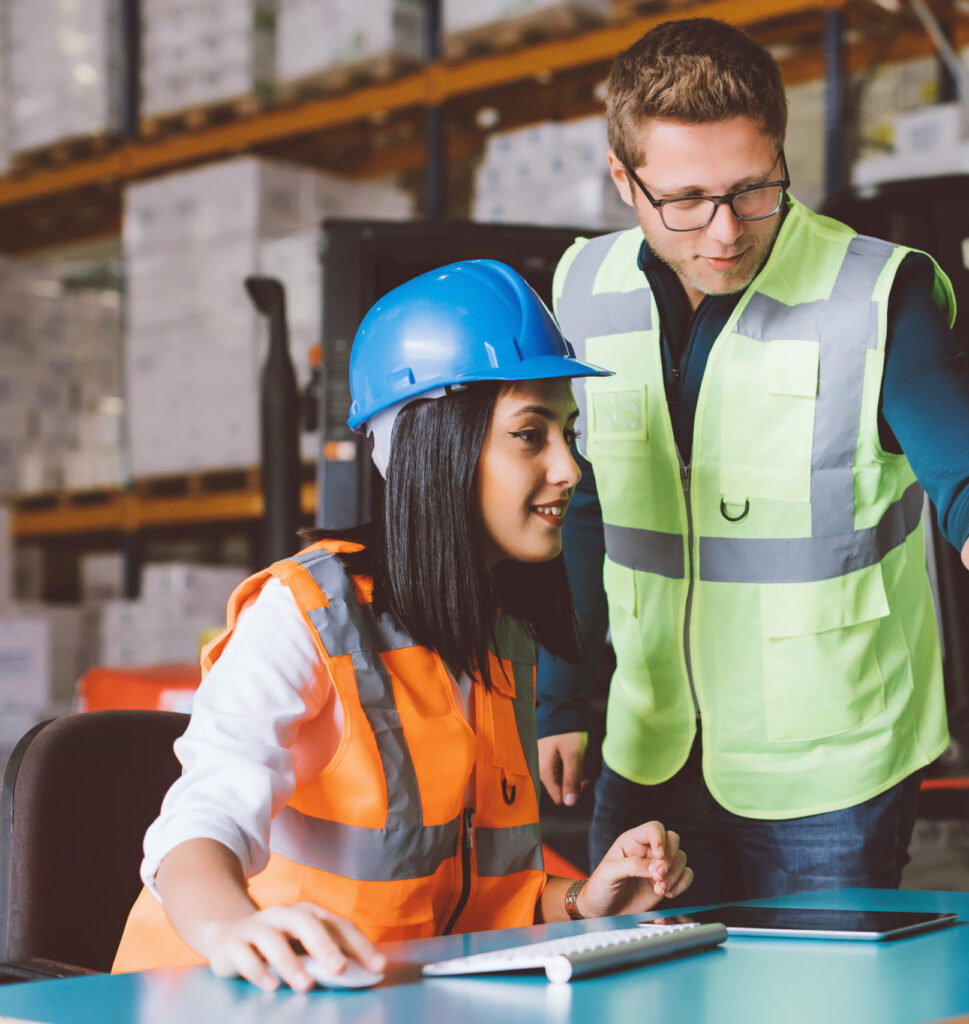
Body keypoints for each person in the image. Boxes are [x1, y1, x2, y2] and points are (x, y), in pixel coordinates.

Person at [535, 19, 969, 907]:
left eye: (753, 189)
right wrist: (561, 698)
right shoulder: (582, 287)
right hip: (651, 745)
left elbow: (966, 457)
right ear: (624, 179)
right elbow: (584, 508)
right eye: (686, 199)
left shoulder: (875, 290)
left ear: (781, 157)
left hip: (832, 767)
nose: (725, 231)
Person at [113, 260, 693, 989]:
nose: (569, 468)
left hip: (379, 999)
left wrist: (582, 899)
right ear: (433, 446)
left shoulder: (500, 634)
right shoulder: (304, 614)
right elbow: (199, 820)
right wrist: (232, 928)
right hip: (218, 995)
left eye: (567, 433)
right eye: (530, 435)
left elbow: (465, 907)